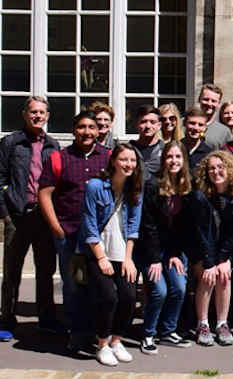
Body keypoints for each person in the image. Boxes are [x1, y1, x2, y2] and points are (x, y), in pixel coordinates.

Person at [37, 110, 111, 351]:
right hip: (70, 234)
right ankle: (77, 334)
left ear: (99, 130)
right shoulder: (59, 158)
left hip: (100, 237)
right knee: (74, 286)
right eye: (82, 127)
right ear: (73, 130)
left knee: (100, 287)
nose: (87, 132)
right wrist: (56, 228)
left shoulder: (109, 157)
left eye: (92, 127)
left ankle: (99, 334)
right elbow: (45, 193)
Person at [0, 97, 61, 336]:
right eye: (33, 112)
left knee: (46, 269)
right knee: (12, 270)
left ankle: (46, 318)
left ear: (47, 116)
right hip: (17, 216)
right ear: (25, 114)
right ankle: (7, 319)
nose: (37, 116)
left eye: (42, 112)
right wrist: (5, 213)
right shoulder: (11, 143)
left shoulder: (53, 146)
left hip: (44, 217)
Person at [81, 144, 143, 366]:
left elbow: (133, 226)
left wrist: (128, 258)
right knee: (108, 297)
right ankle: (102, 344)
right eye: (124, 159)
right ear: (114, 161)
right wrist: (101, 258)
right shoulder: (96, 186)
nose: (129, 164)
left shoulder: (135, 188)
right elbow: (89, 225)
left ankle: (116, 341)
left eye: (132, 160)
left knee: (129, 297)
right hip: (97, 251)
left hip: (121, 252)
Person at [187, 151, 233, 347]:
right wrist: (209, 262)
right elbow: (200, 231)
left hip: (226, 247)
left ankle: (222, 323)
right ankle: (202, 323)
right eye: (212, 168)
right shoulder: (200, 196)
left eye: (220, 167)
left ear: (229, 168)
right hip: (202, 246)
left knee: (224, 276)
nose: (216, 172)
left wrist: (223, 259)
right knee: (208, 276)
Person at [138, 140, 194, 354]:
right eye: (169, 157)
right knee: (159, 291)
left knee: (179, 287)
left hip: (172, 251)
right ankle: (148, 334)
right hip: (150, 250)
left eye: (178, 157)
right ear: (163, 160)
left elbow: (183, 227)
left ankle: (168, 330)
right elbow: (148, 226)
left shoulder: (187, 187)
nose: (174, 161)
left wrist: (174, 254)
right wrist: (154, 259)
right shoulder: (152, 185)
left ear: (184, 160)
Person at [131, 104, 164, 183]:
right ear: (136, 124)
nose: (148, 126)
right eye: (143, 122)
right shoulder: (129, 150)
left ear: (159, 125)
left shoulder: (165, 150)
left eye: (152, 122)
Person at [199, 84, 232, 151]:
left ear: (219, 104)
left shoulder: (224, 132)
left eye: (213, 101)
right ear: (199, 99)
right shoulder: (183, 125)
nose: (209, 104)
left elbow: (228, 158)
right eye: (206, 99)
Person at [181, 107, 212, 178]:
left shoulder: (209, 154)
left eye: (200, 125)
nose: (196, 128)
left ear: (205, 128)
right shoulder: (176, 149)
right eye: (192, 123)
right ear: (184, 123)